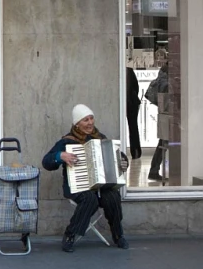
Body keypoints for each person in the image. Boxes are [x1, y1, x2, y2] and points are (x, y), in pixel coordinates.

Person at [42, 104, 130, 252]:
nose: (90, 123)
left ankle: (118, 234)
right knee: (89, 199)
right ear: (77, 124)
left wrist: (123, 161)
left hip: (102, 186)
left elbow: (117, 158)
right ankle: (70, 234)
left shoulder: (101, 139)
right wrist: (60, 156)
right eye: (85, 120)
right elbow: (46, 162)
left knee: (112, 197)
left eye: (91, 118)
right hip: (77, 187)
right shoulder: (66, 142)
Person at [147, 64, 169, 181]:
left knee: (163, 142)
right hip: (169, 113)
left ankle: (154, 170)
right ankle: (154, 170)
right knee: (165, 142)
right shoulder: (167, 76)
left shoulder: (163, 74)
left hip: (165, 113)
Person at [126, 66, 142, 159]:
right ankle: (136, 151)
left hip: (130, 103)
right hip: (132, 102)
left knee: (133, 127)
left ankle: (136, 151)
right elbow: (136, 86)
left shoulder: (127, 71)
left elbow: (136, 87)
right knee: (133, 127)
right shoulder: (129, 71)